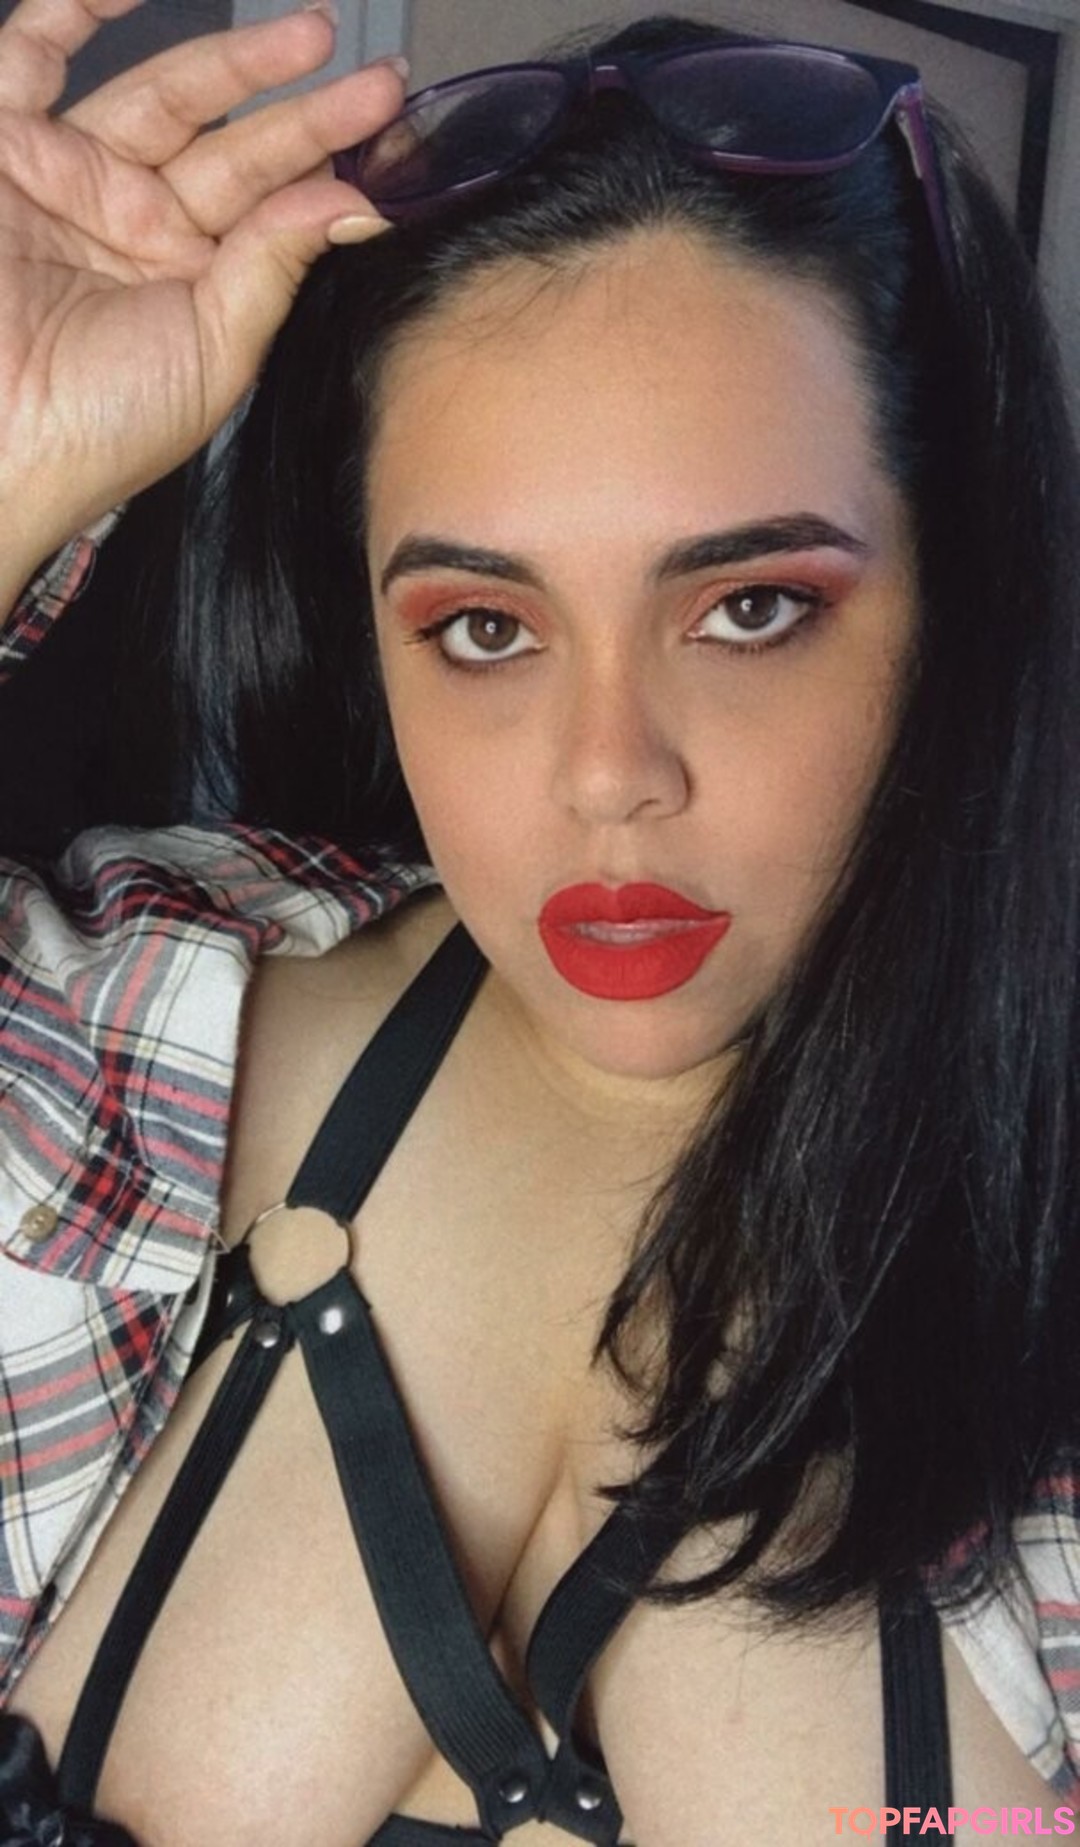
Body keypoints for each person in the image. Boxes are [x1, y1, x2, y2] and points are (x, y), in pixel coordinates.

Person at [0, 0, 1078, 1841]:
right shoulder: (113, 1060)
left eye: (749, 608)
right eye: (485, 628)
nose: (608, 777)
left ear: (953, 611)